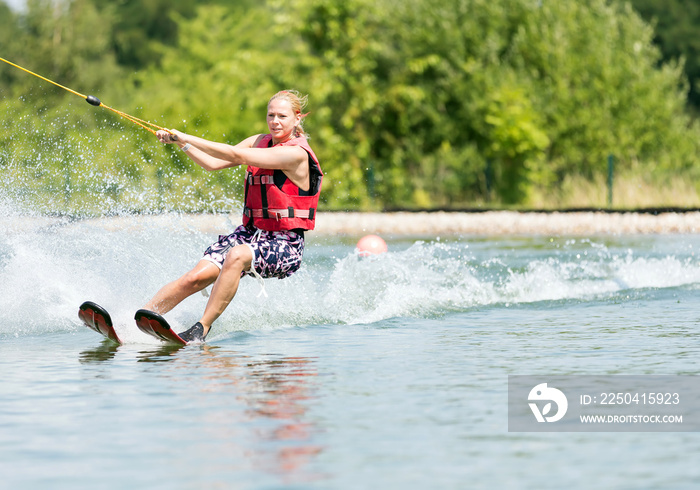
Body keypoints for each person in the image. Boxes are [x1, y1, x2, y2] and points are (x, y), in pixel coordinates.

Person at [144, 90, 322, 342]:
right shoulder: (259, 140)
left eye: (282, 116)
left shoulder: (295, 154)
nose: (275, 121)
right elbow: (212, 163)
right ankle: (143, 316)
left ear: (297, 118)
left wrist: (186, 135)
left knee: (237, 254)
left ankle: (200, 329)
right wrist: (182, 144)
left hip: (285, 244)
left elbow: (236, 155)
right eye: (271, 115)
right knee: (197, 276)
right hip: (251, 233)